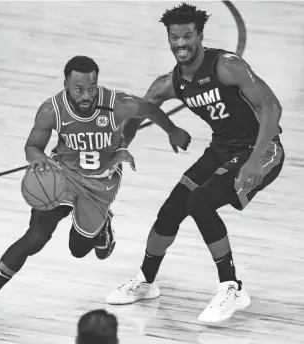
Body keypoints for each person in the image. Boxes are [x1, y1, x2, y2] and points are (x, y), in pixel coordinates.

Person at [0, 55, 191, 332]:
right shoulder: (51, 110)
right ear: (66, 84)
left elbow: (151, 109)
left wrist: (173, 132)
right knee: (36, 236)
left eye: (91, 88)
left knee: (79, 250)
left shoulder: (117, 103)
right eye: (78, 89)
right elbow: (32, 146)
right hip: (64, 175)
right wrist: (38, 158)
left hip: (101, 181)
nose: (86, 95)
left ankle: (103, 225)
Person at [106, 3, 284, 324]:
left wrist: (257, 159)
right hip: (222, 149)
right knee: (171, 209)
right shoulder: (171, 82)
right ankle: (146, 282)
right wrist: (133, 144)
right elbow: (141, 110)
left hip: (261, 149)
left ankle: (232, 287)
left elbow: (271, 107)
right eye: (175, 37)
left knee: (200, 202)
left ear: (200, 35)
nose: (181, 44)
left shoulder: (227, 66)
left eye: (188, 36)